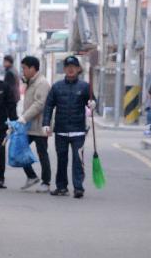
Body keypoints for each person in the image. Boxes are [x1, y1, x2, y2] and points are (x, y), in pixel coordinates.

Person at [42, 55, 94, 198]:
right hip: (61, 131)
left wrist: (92, 104)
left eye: (74, 67)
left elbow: (91, 102)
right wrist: (46, 124)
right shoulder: (57, 87)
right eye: (68, 67)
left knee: (78, 161)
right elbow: (48, 106)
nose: (71, 69)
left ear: (78, 69)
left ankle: (78, 187)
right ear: (64, 69)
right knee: (61, 160)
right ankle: (61, 187)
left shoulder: (84, 87)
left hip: (78, 131)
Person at [17, 55, 52, 192]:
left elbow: (39, 104)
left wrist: (24, 118)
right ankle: (31, 176)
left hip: (39, 125)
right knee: (20, 149)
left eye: (25, 68)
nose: (23, 71)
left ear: (33, 68)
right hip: (30, 125)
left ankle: (46, 182)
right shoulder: (31, 81)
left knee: (42, 153)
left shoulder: (42, 83)